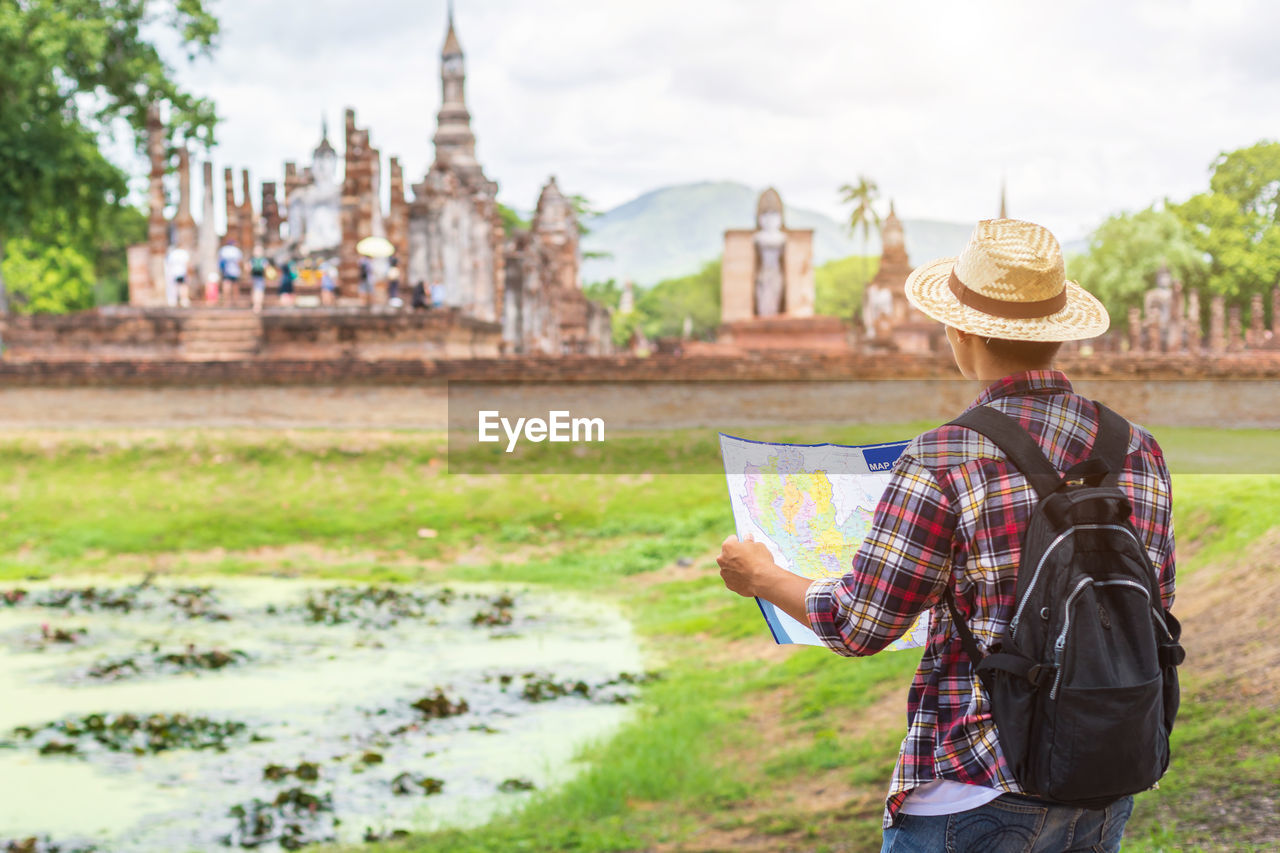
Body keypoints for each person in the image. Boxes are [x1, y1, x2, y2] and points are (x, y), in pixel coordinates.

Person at [716, 219, 1175, 853]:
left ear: (958, 330)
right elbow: (1155, 605)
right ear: (1058, 332)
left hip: (977, 781)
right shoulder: (1138, 449)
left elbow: (859, 625)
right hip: (1105, 765)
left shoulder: (946, 456)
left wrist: (762, 576)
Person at [218, 239, 243, 304]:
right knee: (235, 285)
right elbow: (239, 262)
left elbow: (220, 261)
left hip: (226, 271)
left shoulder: (223, 250)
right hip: (235, 271)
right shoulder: (236, 251)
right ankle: (235, 301)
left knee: (226, 284)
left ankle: (226, 301)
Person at [249, 245, 271, 314]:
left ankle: (256, 305)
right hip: (260, 277)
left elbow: (248, 268)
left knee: (256, 291)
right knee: (259, 291)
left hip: (255, 277)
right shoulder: (263, 260)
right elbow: (266, 268)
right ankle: (258, 305)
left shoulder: (252, 260)